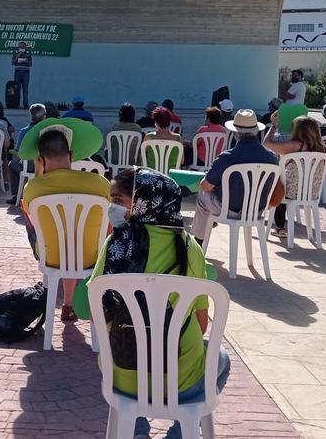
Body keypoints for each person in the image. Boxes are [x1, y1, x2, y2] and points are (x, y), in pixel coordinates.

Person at [79, 168, 229, 439]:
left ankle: (136, 432)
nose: (111, 206)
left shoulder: (115, 244)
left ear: (142, 202)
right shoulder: (188, 248)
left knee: (122, 380)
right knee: (220, 358)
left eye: (118, 200)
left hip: (122, 375)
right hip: (181, 378)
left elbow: (94, 311)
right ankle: (181, 433)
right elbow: (202, 324)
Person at [20, 127, 111, 323]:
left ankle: (61, 299)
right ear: (70, 155)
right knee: (83, 229)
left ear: (42, 159)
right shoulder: (101, 183)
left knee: (34, 219)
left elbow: (30, 215)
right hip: (91, 256)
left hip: (50, 256)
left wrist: (38, 173)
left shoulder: (33, 188)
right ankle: (70, 303)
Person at [192, 110, 282, 245]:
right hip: (258, 210)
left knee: (202, 196)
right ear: (256, 132)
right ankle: (206, 229)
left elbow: (206, 185)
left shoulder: (228, 156)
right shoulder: (271, 157)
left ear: (234, 133)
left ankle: (198, 242)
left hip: (229, 209)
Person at [264, 115, 326, 241]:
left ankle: (278, 227)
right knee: (283, 183)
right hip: (310, 192)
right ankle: (280, 227)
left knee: (276, 184)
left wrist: (274, 126)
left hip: (289, 191)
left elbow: (267, 144)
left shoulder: (296, 145)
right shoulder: (322, 148)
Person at [11, 41, 33, 108]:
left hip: (25, 73)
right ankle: (15, 104)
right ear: (18, 47)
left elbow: (30, 64)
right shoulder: (15, 54)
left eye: (23, 47)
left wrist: (26, 61)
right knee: (16, 89)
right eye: (20, 47)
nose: (22, 48)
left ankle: (25, 104)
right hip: (17, 72)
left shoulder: (28, 54)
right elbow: (13, 63)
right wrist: (18, 56)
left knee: (25, 88)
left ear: (25, 47)